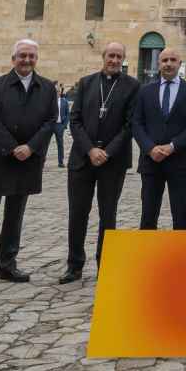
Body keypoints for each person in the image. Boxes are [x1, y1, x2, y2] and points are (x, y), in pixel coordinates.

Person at [0, 39, 56, 289]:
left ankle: (7, 264)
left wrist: (31, 147)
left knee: (15, 216)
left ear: (36, 59)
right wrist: (12, 147)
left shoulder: (47, 88)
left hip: (27, 160)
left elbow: (50, 122)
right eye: (22, 56)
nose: (27, 60)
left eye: (31, 56)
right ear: (13, 58)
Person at [61, 42, 140, 284]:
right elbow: (74, 121)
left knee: (108, 215)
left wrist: (106, 151)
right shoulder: (86, 82)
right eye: (111, 56)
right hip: (82, 159)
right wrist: (90, 149)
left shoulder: (132, 86)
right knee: (77, 213)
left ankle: (104, 264)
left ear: (124, 59)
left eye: (119, 56)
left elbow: (130, 124)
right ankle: (74, 265)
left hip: (113, 162)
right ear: (103, 57)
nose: (114, 60)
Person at [132, 47, 186, 232]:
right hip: (151, 161)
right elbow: (137, 123)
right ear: (159, 64)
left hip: (179, 161)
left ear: (179, 63)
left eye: (173, 60)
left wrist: (173, 146)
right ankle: (148, 257)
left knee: (181, 216)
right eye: (164, 60)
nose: (169, 64)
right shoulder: (145, 91)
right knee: (148, 215)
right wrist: (150, 148)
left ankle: (182, 258)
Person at [51, 82, 71, 168]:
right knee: (45, 144)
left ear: (60, 92)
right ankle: (42, 160)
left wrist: (64, 125)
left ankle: (60, 161)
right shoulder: (49, 102)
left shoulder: (64, 102)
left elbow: (67, 114)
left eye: (58, 91)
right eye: (55, 91)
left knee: (60, 144)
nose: (57, 93)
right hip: (50, 125)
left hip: (59, 125)